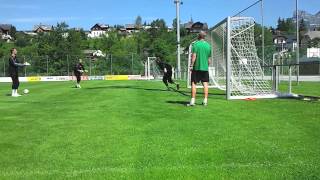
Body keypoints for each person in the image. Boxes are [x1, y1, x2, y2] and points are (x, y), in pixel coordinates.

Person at [188, 31, 212, 106]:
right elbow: (209, 60)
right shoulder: (208, 46)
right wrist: (206, 65)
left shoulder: (196, 44)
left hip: (197, 67)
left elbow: (194, 56)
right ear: (204, 37)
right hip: (205, 68)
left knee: (193, 83)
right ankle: (205, 101)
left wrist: (191, 65)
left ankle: (192, 101)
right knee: (205, 84)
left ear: (199, 36)